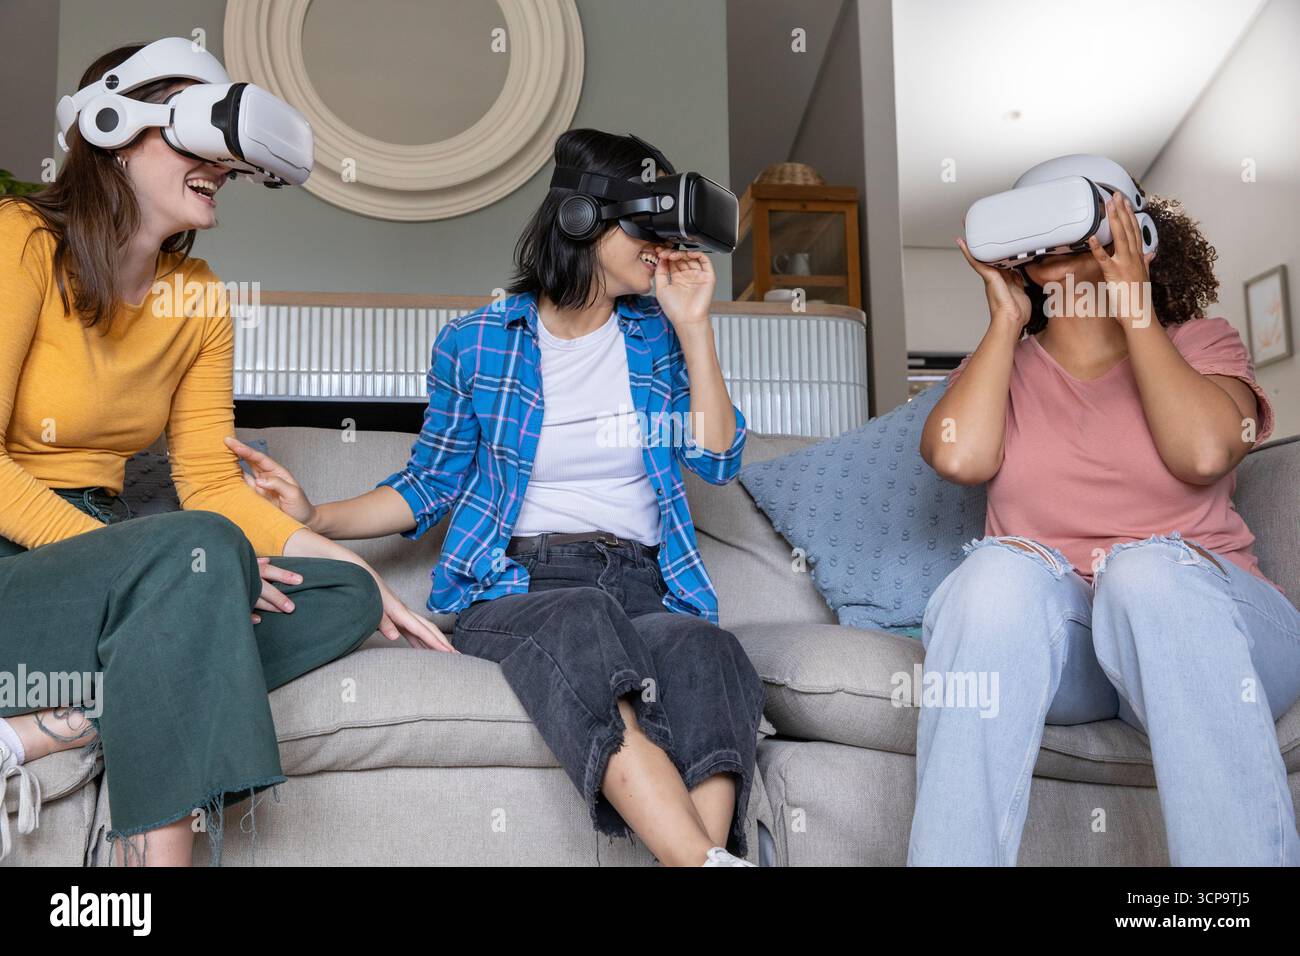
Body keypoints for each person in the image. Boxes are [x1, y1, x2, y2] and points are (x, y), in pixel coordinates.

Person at [232, 129, 766, 866]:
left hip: (647, 586)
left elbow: (716, 458)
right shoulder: (477, 343)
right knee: (581, 616)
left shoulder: (660, 335)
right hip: (522, 587)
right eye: (643, 226)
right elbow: (429, 483)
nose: (659, 245)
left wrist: (696, 326)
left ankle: (702, 859)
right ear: (582, 221)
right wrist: (316, 517)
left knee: (709, 650)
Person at [0, 42, 447, 867]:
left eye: (226, 155)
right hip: (21, 570)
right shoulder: (21, 240)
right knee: (200, 555)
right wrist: (159, 573)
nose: (221, 167)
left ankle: (45, 727)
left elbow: (210, 482)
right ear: (114, 129)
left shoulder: (199, 294)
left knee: (342, 593)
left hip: (127, 568)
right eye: (194, 140)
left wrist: (358, 571)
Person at [911, 160, 1300, 866]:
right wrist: (1005, 323)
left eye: (1066, 234)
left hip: (1212, 638)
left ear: (1132, 233)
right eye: (1034, 245)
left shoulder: (1200, 342)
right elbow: (958, 459)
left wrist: (1137, 308)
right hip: (1077, 659)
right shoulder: (1003, 368)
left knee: (1144, 570)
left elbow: (1206, 452)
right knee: (992, 574)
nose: (1048, 258)